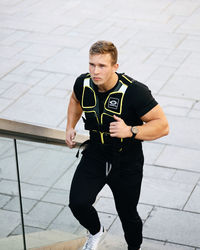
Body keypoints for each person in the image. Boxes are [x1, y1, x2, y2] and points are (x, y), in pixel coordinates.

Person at [65, 40, 169, 250]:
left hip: (126, 161)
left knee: (127, 214)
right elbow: (75, 100)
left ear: (115, 67)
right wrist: (70, 126)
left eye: (102, 66)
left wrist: (131, 130)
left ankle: (134, 248)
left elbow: (162, 125)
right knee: (78, 203)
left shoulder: (135, 91)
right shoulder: (83, 83)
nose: (95, 71)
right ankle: (96, 232)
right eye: (92, 64)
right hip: (95, 153)